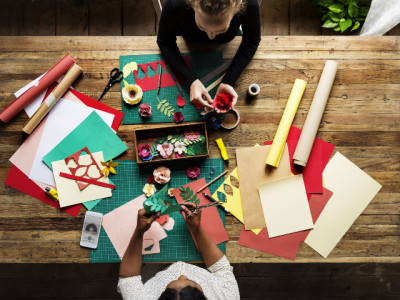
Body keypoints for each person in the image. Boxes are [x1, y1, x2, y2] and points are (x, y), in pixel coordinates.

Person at [117, 202, 240, 299]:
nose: (182, 275)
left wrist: (139, 231)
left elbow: (128, 278)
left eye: (168, 288)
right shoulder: (228, 297)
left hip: (156, 272)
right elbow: (221, 268)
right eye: (193, 283)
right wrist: (196, 229)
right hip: (203, 267)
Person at [157, 0, 261, 113]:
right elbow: (165, 42)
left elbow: (251, 41)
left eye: (222, 30)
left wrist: (229, 80)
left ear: (238, 9)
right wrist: (191, 80)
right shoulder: (175, 3)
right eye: (201, 27)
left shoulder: (249, 3)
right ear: (192, 4)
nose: (210, 37)